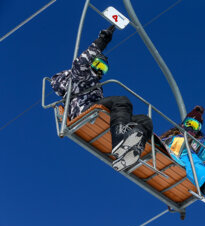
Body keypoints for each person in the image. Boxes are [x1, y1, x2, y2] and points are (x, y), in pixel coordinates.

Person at [50, 26, 153, 171]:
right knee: (121, 101)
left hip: (96, 110)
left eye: (103, 68)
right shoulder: (79, 76)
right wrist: (102, 41)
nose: (100, 71)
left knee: (144, 120)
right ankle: (119, 138)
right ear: (91, 63)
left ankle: (132, 150)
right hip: (83, 110)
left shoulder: (96, 85)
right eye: (98, 65)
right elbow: (83, 61)